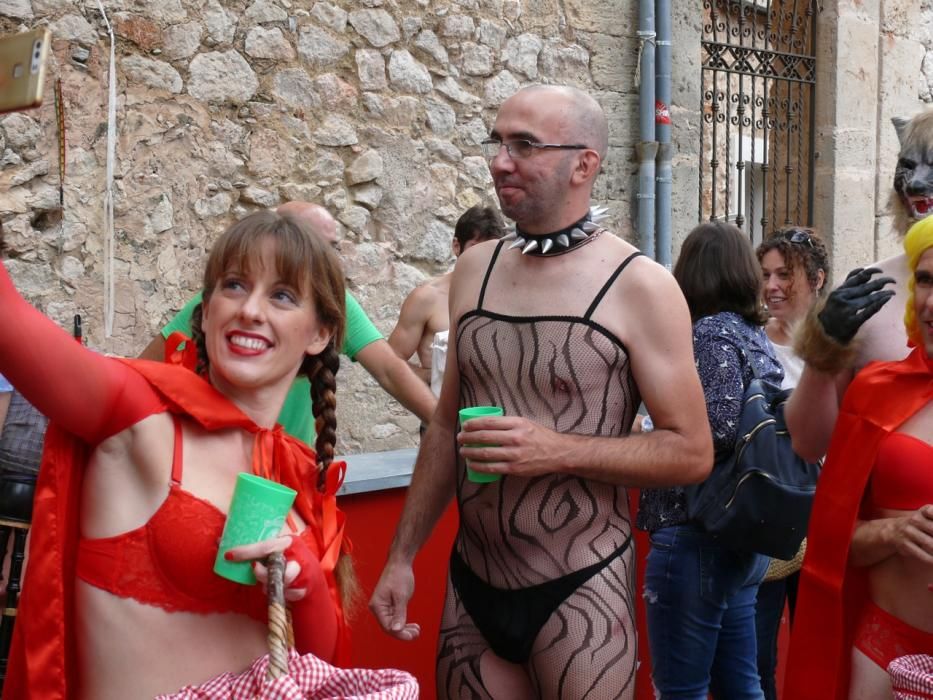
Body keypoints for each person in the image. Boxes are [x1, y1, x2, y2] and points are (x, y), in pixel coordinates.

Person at [369, 84, 713, 699]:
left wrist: (557, 449)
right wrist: (401, 556)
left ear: (584, 164)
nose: (501, 162)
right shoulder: (474, 272)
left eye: (524, 145)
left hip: (581, 590)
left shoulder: (641, 286)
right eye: (497, 142)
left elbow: (691, 451)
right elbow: (445, 427)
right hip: (471, 584)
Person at [0, 211, 354, 699]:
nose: (251, 310)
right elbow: (8, 322)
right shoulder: (136, 414)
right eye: (234, 285)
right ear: (206, 312)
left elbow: (320, 669)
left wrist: (307, 585)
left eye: (282, 295)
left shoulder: (297, 472)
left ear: (319, 334)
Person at [141, 201, 437, 446]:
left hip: (285, 471)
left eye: (331, 248)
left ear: (320, 334)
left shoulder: (335, 302)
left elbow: (390, 370)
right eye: (304, 242)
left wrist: (446, 428)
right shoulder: (224, 304)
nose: (251, 311)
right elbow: (145, 374)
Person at [785, 216, 933, 700]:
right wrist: (894, 532)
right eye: (925, 280)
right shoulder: (876, 390)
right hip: (884, 652)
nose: (931, 302)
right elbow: (833, 542)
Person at [637, 222, 781, 700]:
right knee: (741, 686)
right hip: (741, 532)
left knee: (682, 690)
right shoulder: (754, 335)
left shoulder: (708, 333)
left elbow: (717, 428)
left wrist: (648, 431)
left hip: (695, 528)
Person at [784, 112, 933, 462]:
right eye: (908, 165)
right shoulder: (868, 291)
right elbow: (808, 444)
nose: (916, 183)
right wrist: (823, 349)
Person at [754, 226, 828, 700]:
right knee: (756, 657)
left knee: (819, 649)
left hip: (828, 517)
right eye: (765, 275)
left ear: (817, 280)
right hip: (767, 517)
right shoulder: (753, 342)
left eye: (785, 275)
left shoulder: (844, 348)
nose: (772, 286)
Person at [388, 205, 505, 392]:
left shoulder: (508, 298)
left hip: (493, 407)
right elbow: (389, 363)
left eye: (491, 251)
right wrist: (434, 376)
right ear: (456, 246)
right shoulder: (427, 298)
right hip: (438, 407)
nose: (483, 258)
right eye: (476, 248)